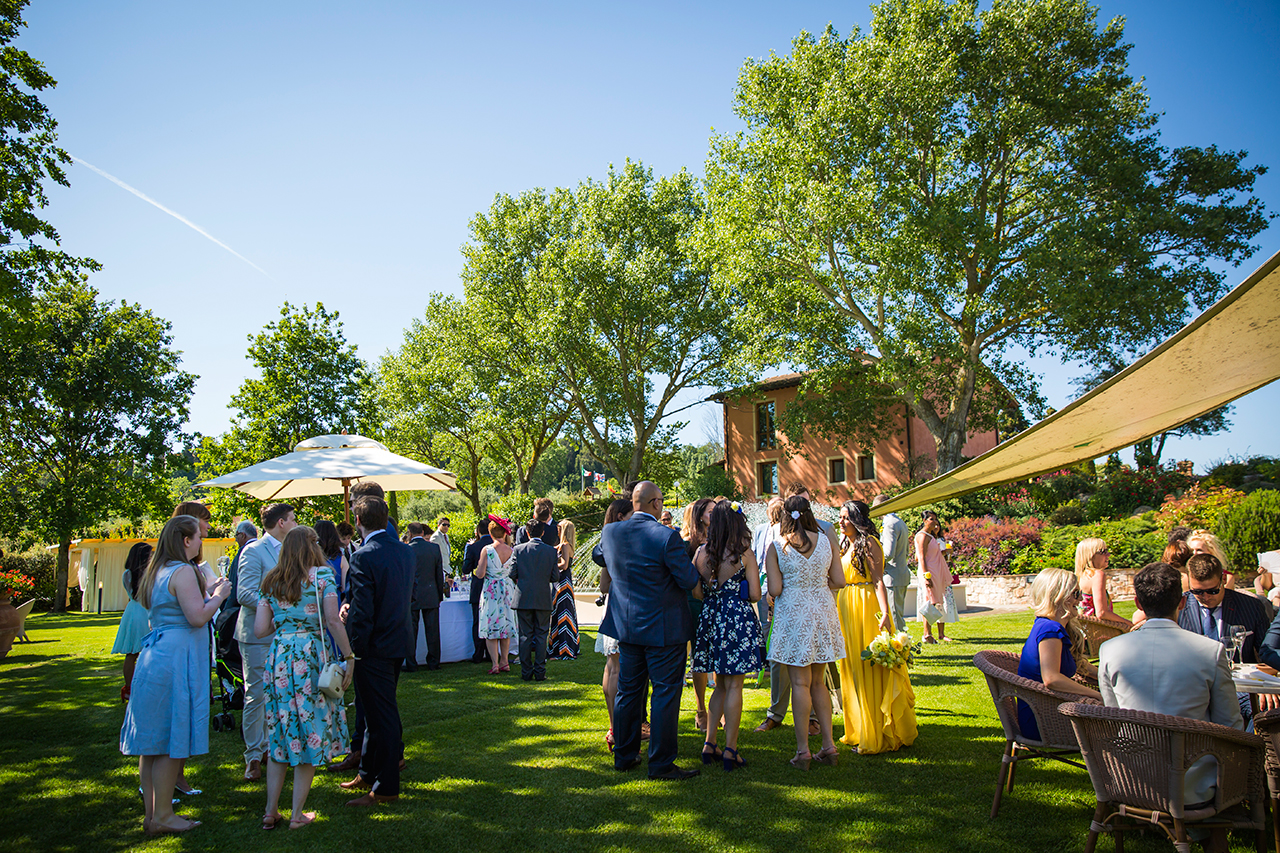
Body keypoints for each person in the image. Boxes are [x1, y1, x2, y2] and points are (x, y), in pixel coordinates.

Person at [1098, 562, 1242, 849]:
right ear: (1182, 601)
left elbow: (1112, 719)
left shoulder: (1110, 650)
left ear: (1138, 602)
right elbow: (1231, 726)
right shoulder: (1209, 651)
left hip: (1132, 780)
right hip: (1193, 785)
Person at [120, 515, 231, 836]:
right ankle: (165, 815)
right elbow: (197, 617)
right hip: (175, 658)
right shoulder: (182, 571)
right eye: (198, 537)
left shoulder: (156, 570)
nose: (200, 542)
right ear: (186, 540)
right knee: (170, 737)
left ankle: (152, 814)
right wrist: (220, 595)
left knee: (152, 741)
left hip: (155, 657)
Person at [254, 526, 354, 830]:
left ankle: (271, 811)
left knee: (281, 730)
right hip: (310, 654)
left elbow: (260, 629)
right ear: (313, 546)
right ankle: (297, 814)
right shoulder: (322, 576)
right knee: (309, 725)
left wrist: (285, 619)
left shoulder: (270, 581)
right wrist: (349, 657)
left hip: (279, 655)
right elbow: (334, 622)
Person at [601, 481, 702, 780]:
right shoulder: (666, 537)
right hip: (663, 630)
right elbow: (687, 579)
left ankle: (625, 755)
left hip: (627, 628)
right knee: (664, 695)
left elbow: (599, 556)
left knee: (628, 693)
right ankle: (660, 763)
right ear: (656, 504)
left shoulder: (610, 532)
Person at [339, 496, 414, 807]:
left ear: (358, 522)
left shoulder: (363, 556)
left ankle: (385, 786)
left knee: (382, 716)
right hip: (398, 640)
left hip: (374, 645)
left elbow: (364, 610)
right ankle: (368, 772)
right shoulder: (406, 552)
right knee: (372, 712)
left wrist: (353, 649)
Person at [766, 495, 846, 769]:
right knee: (818, 682)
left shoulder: (778, 545)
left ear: (785, 515)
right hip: (822, 611)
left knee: (799, 684)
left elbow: (775, 590)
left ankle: (803, 752)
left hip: (793, 614)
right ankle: (829, 746)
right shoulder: (827, 540)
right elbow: (839, 580)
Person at [836, 500, 917, 754]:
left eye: (846, 517)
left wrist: (884, 614)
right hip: (847, 608)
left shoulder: (869, 542)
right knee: (851, 670)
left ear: (857, 519)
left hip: (866, 606)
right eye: (840, 517)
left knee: (869, 668)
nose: (841, 522)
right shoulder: (844, 544)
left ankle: (876, 734)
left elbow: (879, 580)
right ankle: (859, 729)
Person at [691, 500, 762, 771]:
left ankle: (710, 742)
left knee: (719, 685)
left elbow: (697, 593)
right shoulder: (743, 552)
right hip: (736, 619)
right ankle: (731, 748)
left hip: (711, 617)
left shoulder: (700, 553)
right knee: (734, 686)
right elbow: (755, 593)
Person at [235, 503, 298, 781]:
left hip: (283, 634)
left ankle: (274, 748)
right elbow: (244, 592)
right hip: (256, 634)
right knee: (256, 694)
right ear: (281, 522)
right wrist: (276, 605)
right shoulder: (253, 550)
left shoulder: (289, 551)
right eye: (293, 519)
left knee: (279, 693)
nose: (296, 523)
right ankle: (253, 755)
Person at [1179, 551, 1280, 719]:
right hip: (1193, 688)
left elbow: (1266, 652)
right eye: (1197, 592)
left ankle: (1250, 744)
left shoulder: (1251, 606)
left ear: (1223, 580)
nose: (1205, 597)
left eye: (1212, 591)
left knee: (1270, 709)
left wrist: (1265, 686)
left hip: (1240, 688)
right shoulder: (1180, 607)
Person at [1016, 568, 1102, 740]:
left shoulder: (1052, 626)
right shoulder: (1050, 630)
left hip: (1049, 709)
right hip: (1044, 721)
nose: (1081, 599)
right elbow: (1052, 679)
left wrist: (1110, 679)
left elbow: (1079, 665)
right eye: (1076, 593)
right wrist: (1097, 695)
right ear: (1059, 596)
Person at [593, 498, 634, 750]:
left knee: (611, 666)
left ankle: (613, 726)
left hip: (611, 609)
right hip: (623, 609)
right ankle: (618, 728)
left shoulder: (607, 543)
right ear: (621, 517)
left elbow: (603, 586)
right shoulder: (623, 543)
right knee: (617, 667)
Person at [507, 520, 559, 681]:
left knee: (525, 635)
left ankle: (526, 672)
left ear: (527, 533)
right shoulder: (550, 551)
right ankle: (540, 672)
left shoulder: (518, 549)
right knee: (542, 634)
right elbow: (555, 576)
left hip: (523, 596)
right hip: (543, 596)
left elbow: (512, 573)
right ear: (542, 533)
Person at [680, 497, 715, 732]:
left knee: (719, 655)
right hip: (693, 603)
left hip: (717, 603)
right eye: (710, 511)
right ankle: (701, 709)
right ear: (699, 515)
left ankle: (717, 708)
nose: (714, 514)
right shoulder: (685, 543)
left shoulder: (722, 539)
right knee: (700, 658)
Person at [476, 516, 518, 674]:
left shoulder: (487, 550)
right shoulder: (511, 550)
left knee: (491, 625)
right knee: (505, 625)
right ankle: (505, 661)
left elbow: (480, 574)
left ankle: (495, 663)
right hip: (507, 589)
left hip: (492, 589)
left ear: (490, 532)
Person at [112, 542, 153, 703]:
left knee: (131, 653)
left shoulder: (127, 574)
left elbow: (130, 594)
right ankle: (147, 686)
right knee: (149, 650)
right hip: (146, 610)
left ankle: (128, 687)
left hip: (132, 611)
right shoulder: (150, 574)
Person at [405, 521, 447, 672]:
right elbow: (438, 574)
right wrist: (439, 594)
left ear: (410, 533)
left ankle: (411, 663)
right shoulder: (434, 548)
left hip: (412, 594)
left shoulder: (406, 550)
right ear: (422, 533)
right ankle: (434, 662)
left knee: (411, 630)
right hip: (430, 592)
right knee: (433, 630)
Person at [915, 511, 960, 642]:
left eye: (935, 519)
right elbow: (921, 558)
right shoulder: (922, 536)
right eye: (931, 519)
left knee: (936, 602)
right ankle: (927, 634)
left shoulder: (931, 536)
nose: (934, 522)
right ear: (924, 520)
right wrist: (926, 576)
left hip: (936, 571)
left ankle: (932, 634)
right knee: (929, 601)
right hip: (929, 572)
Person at [872, 495, 911, 632]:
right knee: (898, 615)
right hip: (901, 573)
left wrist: (872, 560)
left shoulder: (890, 523)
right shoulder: (899, 521)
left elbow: (888, 553)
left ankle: (900, 649)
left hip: (892, 576)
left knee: (894, 617)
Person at [1074, 537, 1131, 628]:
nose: (1108, 555)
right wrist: (1129, 623)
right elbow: (1102, 613)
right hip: (1096, 632)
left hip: (1082, 631)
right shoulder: (1097, 575)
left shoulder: (1080, 577)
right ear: (1091, 555)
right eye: (1103, 552)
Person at [462, 519, 493, 663]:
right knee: (492, 620)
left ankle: (478, 653)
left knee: (477, 621)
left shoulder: (473, 547)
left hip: (478, 586)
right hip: (493, 587)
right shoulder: (496, 547)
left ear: (478, 531)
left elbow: (465, 569)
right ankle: (491, 652)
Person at [548, 519, 580, 659]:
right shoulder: (566, 545)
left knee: (563, 613)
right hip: (564, 581)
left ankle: (564, 648)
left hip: (563, 582)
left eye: (559, 527)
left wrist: (551, 566)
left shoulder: (565, 545)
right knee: (563, 613)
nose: (557, 529)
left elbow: (564, 564)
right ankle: (564, 646)